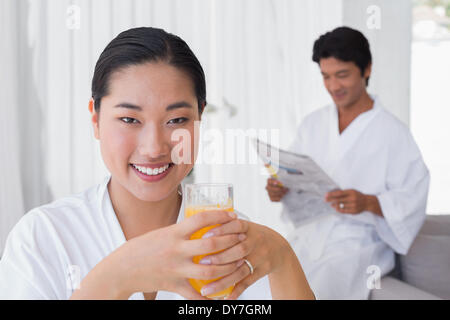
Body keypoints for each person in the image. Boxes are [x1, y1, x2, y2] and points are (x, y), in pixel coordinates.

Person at [0, 27, 314, 300]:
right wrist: (116, 276)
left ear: (200, 118)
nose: (154, 148)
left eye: (177, 119)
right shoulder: (43, 236)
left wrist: (282, 256)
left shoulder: (234, 244)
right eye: (129, 119)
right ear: (95, 119)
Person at [266, 26, 430, 299]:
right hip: (311, 234)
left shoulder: (393, 132)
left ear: (366, 69)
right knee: (269, 275)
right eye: (326, 76)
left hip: (360, 244)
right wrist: (280, 188)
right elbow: (293, 176)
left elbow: (413, 195)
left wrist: (368, 202)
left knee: (324, 281)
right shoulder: (313, 124)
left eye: (342, 75)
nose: (333, 86)